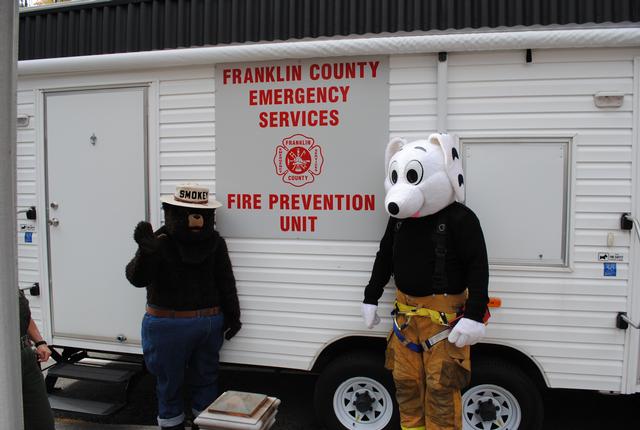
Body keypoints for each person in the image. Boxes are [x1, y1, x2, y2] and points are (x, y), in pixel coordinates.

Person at [362, 134, 489, 430]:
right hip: (405, 317)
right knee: (405, 384)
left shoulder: (461, 219)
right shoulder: (400, 219)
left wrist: (474, 316)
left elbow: (478, 267)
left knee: (442, 389)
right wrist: (371, 296)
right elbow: (385, 257)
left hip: (445, 323)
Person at [126, 183, 242, 430]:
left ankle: (179, 424)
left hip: (171, 324)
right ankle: (201, 423)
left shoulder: (163, 241)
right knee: (202, 380)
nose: (196, 219)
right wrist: (232, 316)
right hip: (205, 322)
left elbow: (137, 278)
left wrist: (146, 254)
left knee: (171, 383)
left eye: (201, 213)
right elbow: (226, 283)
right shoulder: (166, 243)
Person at [19, 288, 56, 430]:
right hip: (4, 359)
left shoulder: (6, 274)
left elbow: (21, 314)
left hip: (24, 354)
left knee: (41, 421)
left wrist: (39, 342)